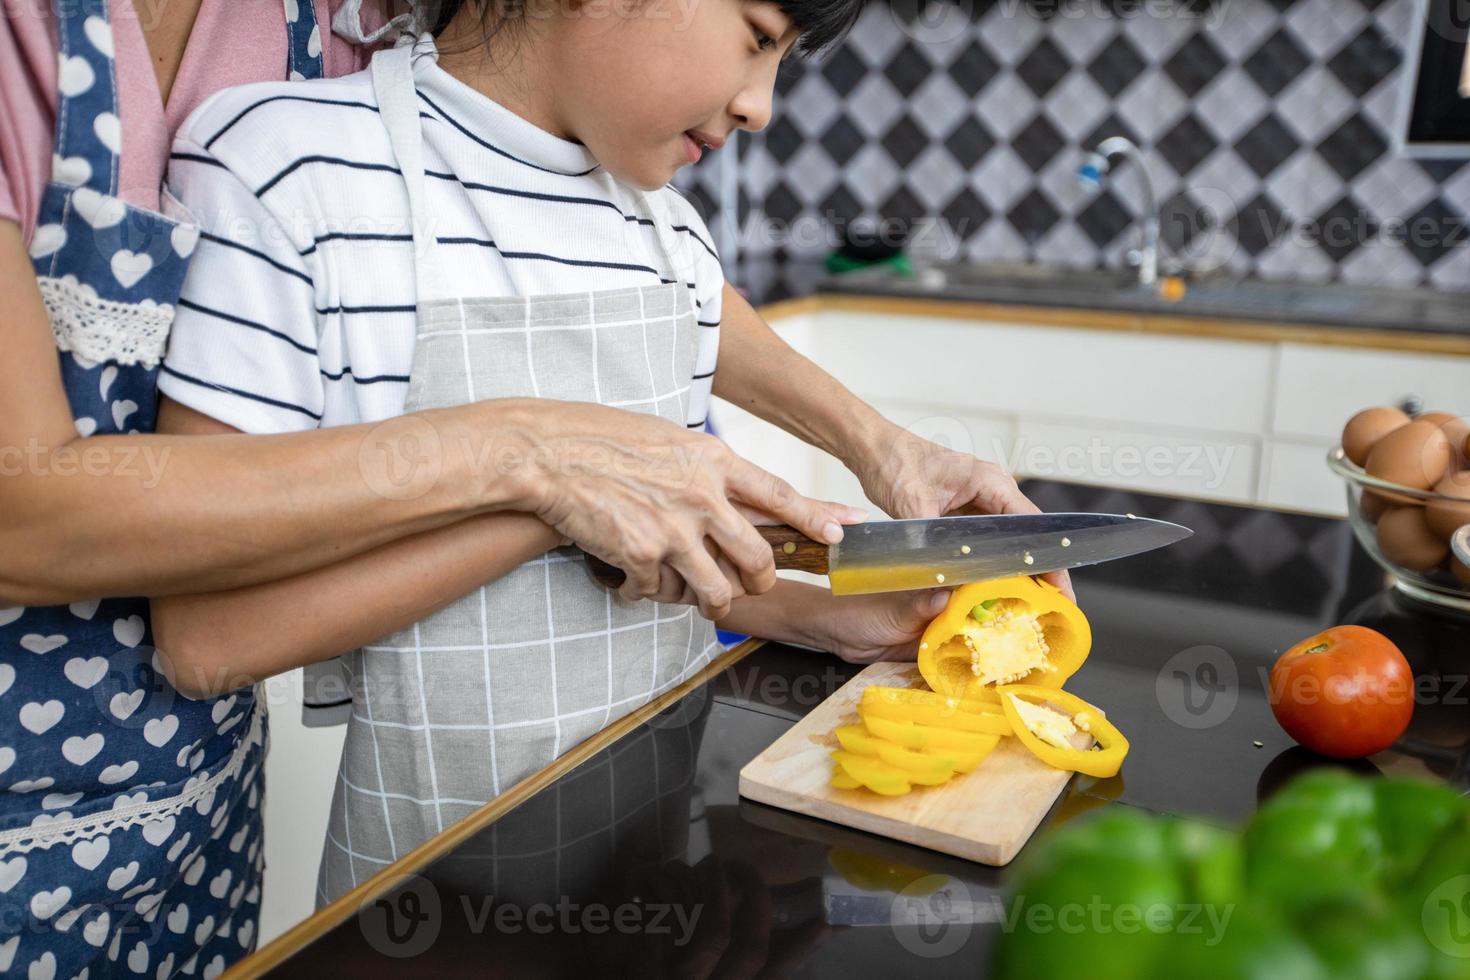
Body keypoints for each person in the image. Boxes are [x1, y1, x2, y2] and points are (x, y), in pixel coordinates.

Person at [146, 0, 1070, 909]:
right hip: (433, 916)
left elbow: (655, 565)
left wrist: (818, 616)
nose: (762, 104)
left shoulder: (669, 236)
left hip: (653, 885)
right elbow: (211, 643)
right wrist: (549, 510)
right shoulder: (295, 171)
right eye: (756, 38)